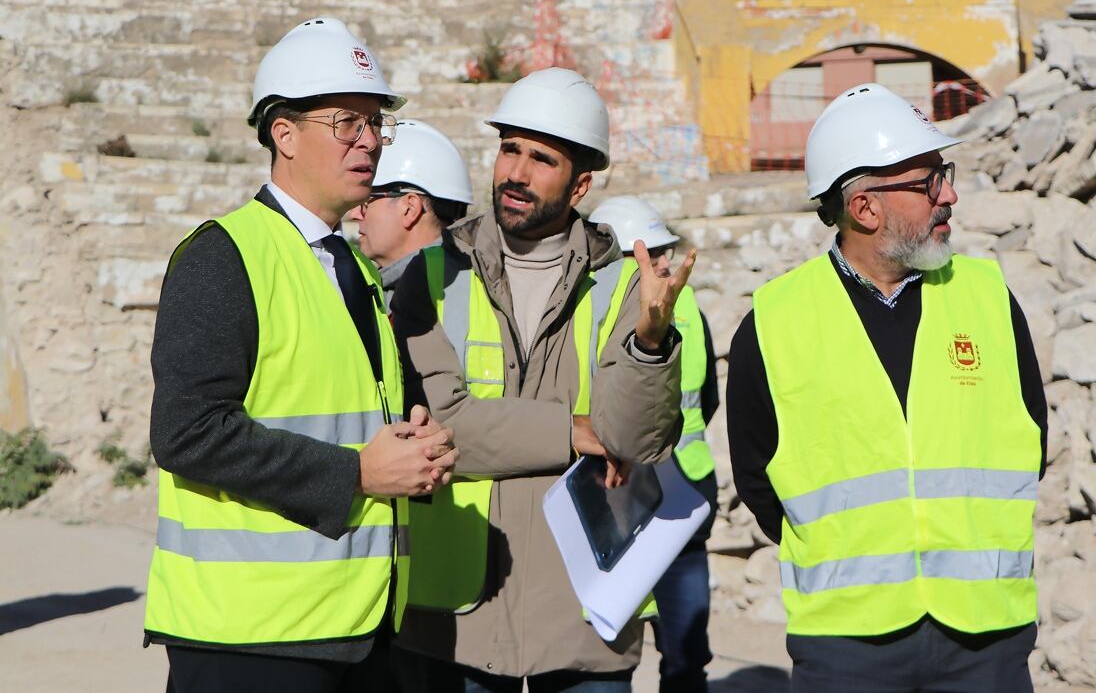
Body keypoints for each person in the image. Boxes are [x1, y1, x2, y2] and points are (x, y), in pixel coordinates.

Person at [144, 17, 457, 693]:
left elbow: (345, 411)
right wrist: (356, 474)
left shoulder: (358, 268)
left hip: (356, 625)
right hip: (248, 641)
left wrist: (417, 442)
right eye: (347, 121)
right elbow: (185, 432)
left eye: (377, 124)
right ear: (283, 133)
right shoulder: (224, 257)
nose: (370, 140)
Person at [726, 83, 1049, 693]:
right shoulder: (775, 321)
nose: (949, 194)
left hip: (987, 638)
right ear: (865, 208)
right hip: (847, 648)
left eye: (944, 174)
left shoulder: (987, 298)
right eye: (928, 181)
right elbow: (758, 481)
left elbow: (1031, 440)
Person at [388, 67, 695, 692]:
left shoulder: (621, 286)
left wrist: (650, 341)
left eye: (541, 159)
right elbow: (443, 430)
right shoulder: (430, 277)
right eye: (509, 150)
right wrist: (573, 431)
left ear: (581, 183)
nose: (516, 174)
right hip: (455, 617)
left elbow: (635, 442)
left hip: (586, 612)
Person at [588, 196, 719, 693]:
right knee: (606, 655)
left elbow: (705, 400)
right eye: (647, 253)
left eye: (663, 251)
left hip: (678, 492)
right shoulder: (592, 313)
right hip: (625, 493)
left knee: (682, 653)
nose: (661, 263)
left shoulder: (683, 308)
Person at [348, 118, 474, 305]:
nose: (354, 214)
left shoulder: (428, 299)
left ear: (410, 208)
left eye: (366, 201)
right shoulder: (464, 283)